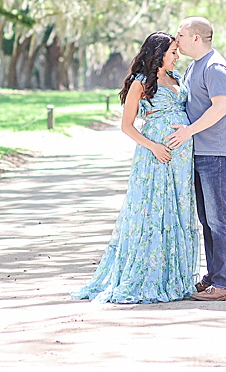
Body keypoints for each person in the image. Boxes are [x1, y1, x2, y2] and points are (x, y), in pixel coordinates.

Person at [71, 32, 198, 303]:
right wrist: (154, 146)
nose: (178, 56)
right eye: (173, 52)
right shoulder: (140, 83)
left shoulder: (177, 78)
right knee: (154, 211)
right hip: (155, 158)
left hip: (181, 161)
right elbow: (127, 125)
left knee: (177, 209)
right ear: (159, 53)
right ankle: (148, 276)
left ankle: (175, 277)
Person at [166, 17, 226, 301]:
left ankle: (224, 284)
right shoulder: (193, 66)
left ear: (196, 38)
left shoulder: (215, 67)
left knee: (219, 219)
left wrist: (187, 133)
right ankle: (213, 276)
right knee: (207, 219)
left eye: (181, 35)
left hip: (217, 153)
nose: (177, 40)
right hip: (200, 152)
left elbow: (219, 109)